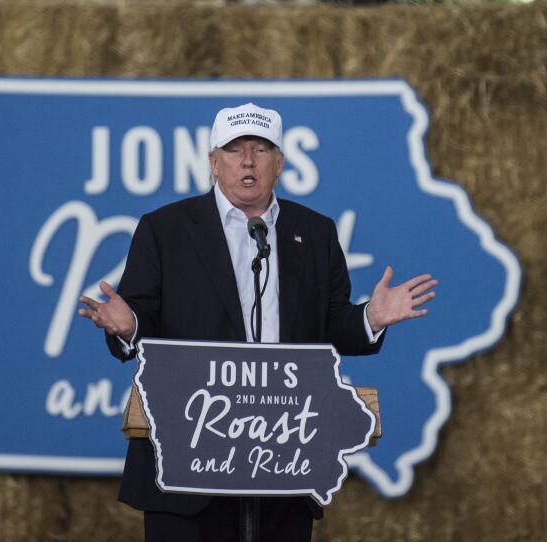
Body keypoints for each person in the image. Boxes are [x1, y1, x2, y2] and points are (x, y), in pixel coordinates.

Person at [78, 103, 437, 542]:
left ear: (280, 163)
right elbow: (143, 322)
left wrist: (370, 317)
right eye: (234, 149)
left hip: (283, 464)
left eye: (261, 149)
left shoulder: (315, 232)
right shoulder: (164, 229)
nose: (247, 160)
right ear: (213, 162)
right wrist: (129, 325)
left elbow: (330, 327)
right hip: (188, 468)